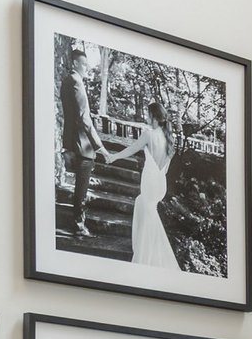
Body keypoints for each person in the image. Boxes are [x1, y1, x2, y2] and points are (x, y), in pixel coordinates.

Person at [102, 94, 180, 271]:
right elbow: (166, 169)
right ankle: (150, 256)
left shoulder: (149, 135)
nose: (146, 117)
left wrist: (113, 157)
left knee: (147, 213)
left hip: (150, 182)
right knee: (145, 208)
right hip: (160, 184)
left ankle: (145, 259)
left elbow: (131, 149)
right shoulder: (169, 138)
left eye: (148, 114)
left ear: (153, 116)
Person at [56, 43, 103, 240]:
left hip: (72, 141)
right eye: (84, 64)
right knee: (81, 189)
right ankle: (79, 226)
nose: (87, 68)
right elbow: (84, 117)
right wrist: (99, 145)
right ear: (75, 63)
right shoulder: (76, 82)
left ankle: (78, 224)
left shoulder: (67, 81)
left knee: (79, 188)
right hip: (82, 145)